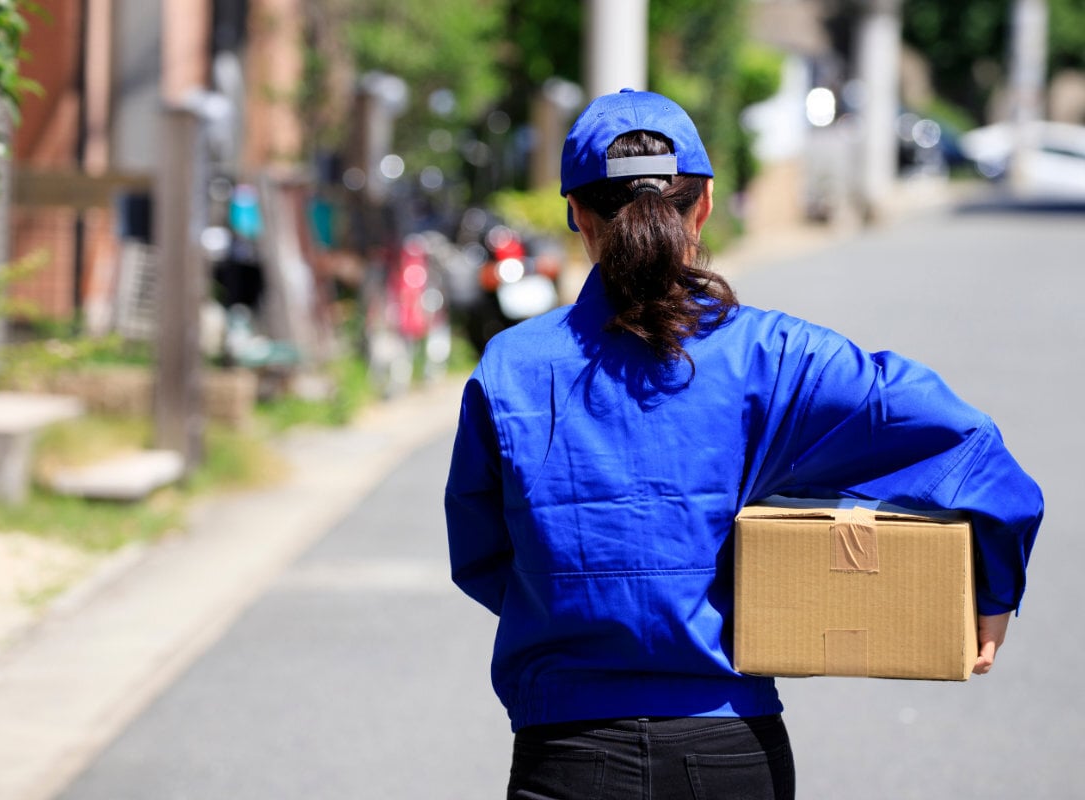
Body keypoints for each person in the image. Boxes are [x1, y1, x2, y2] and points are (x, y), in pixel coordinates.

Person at [443, 88, 1042, 800]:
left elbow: (483, 558)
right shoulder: (777, 353)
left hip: (565, 752)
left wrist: (578, 609)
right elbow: (964, 440)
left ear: (576, 213)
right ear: (704, 205)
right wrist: (993, 587)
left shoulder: (512, 366)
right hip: (731, 754)